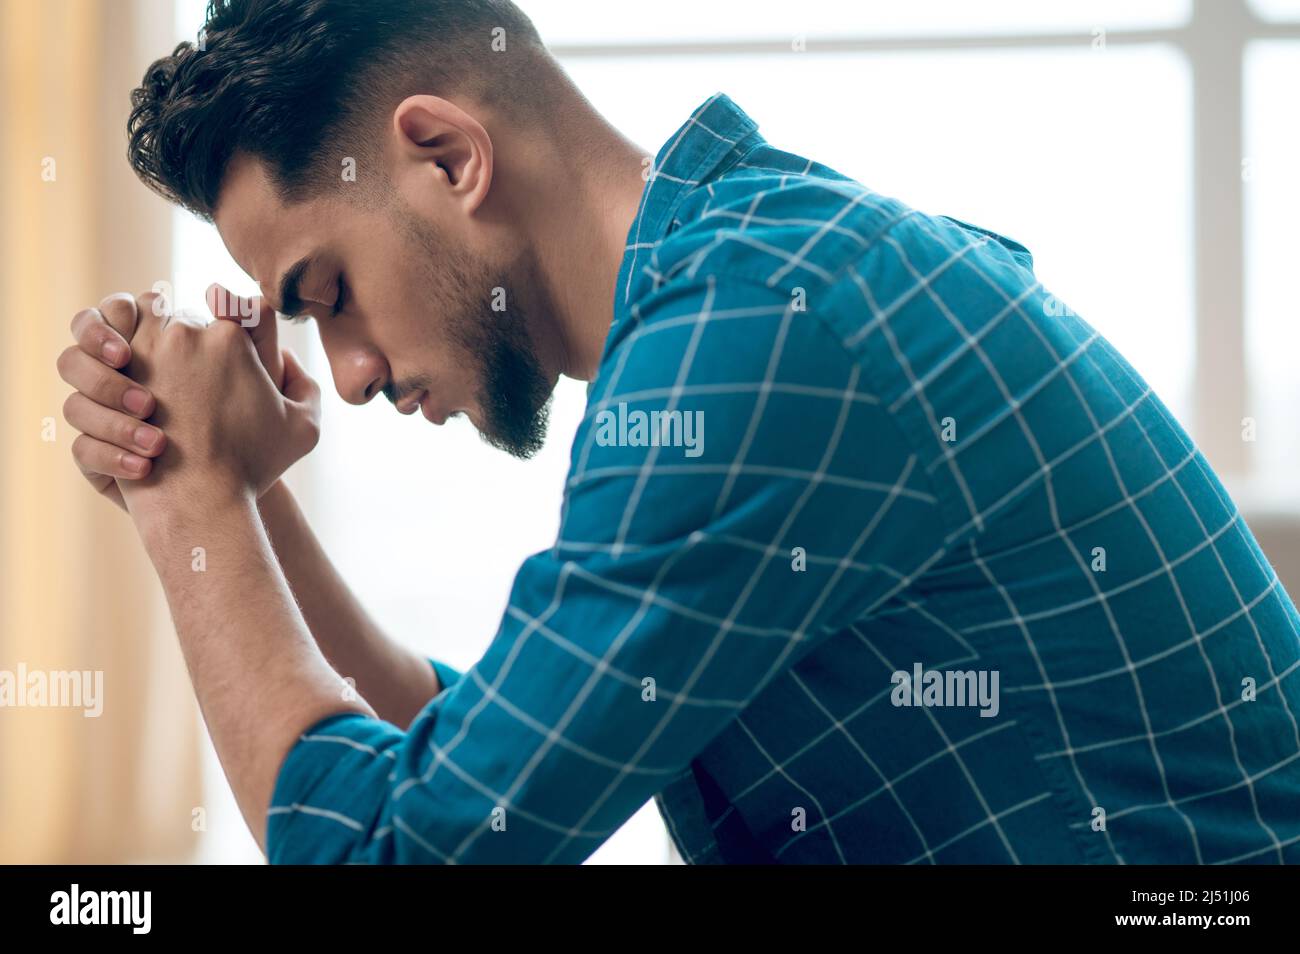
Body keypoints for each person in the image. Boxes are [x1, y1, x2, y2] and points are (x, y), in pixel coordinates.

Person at [56, 0, 1300, 864]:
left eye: (330, 295)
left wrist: (187, 497)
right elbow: (489, 765)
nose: (356, 374)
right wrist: (248, 493)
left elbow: (395, 855)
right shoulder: (747, 276)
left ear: (444, 155)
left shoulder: (751, 345)